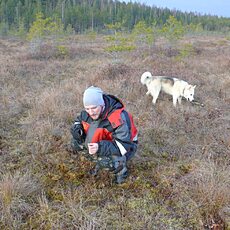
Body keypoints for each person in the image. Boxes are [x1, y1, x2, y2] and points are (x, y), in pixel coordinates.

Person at [70, 86, 138, 184]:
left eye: (94, 108)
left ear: (102, 105)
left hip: (126, 147)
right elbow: (78, 121)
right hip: (101, 142)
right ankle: (96, 158)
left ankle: (121, 172)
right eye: (87, 108)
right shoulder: (87, 112)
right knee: (75, 142)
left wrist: (99, 147)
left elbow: (123, 146)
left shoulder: (118, 118)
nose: (91, 112)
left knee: (105, 162)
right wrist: (77, 130)